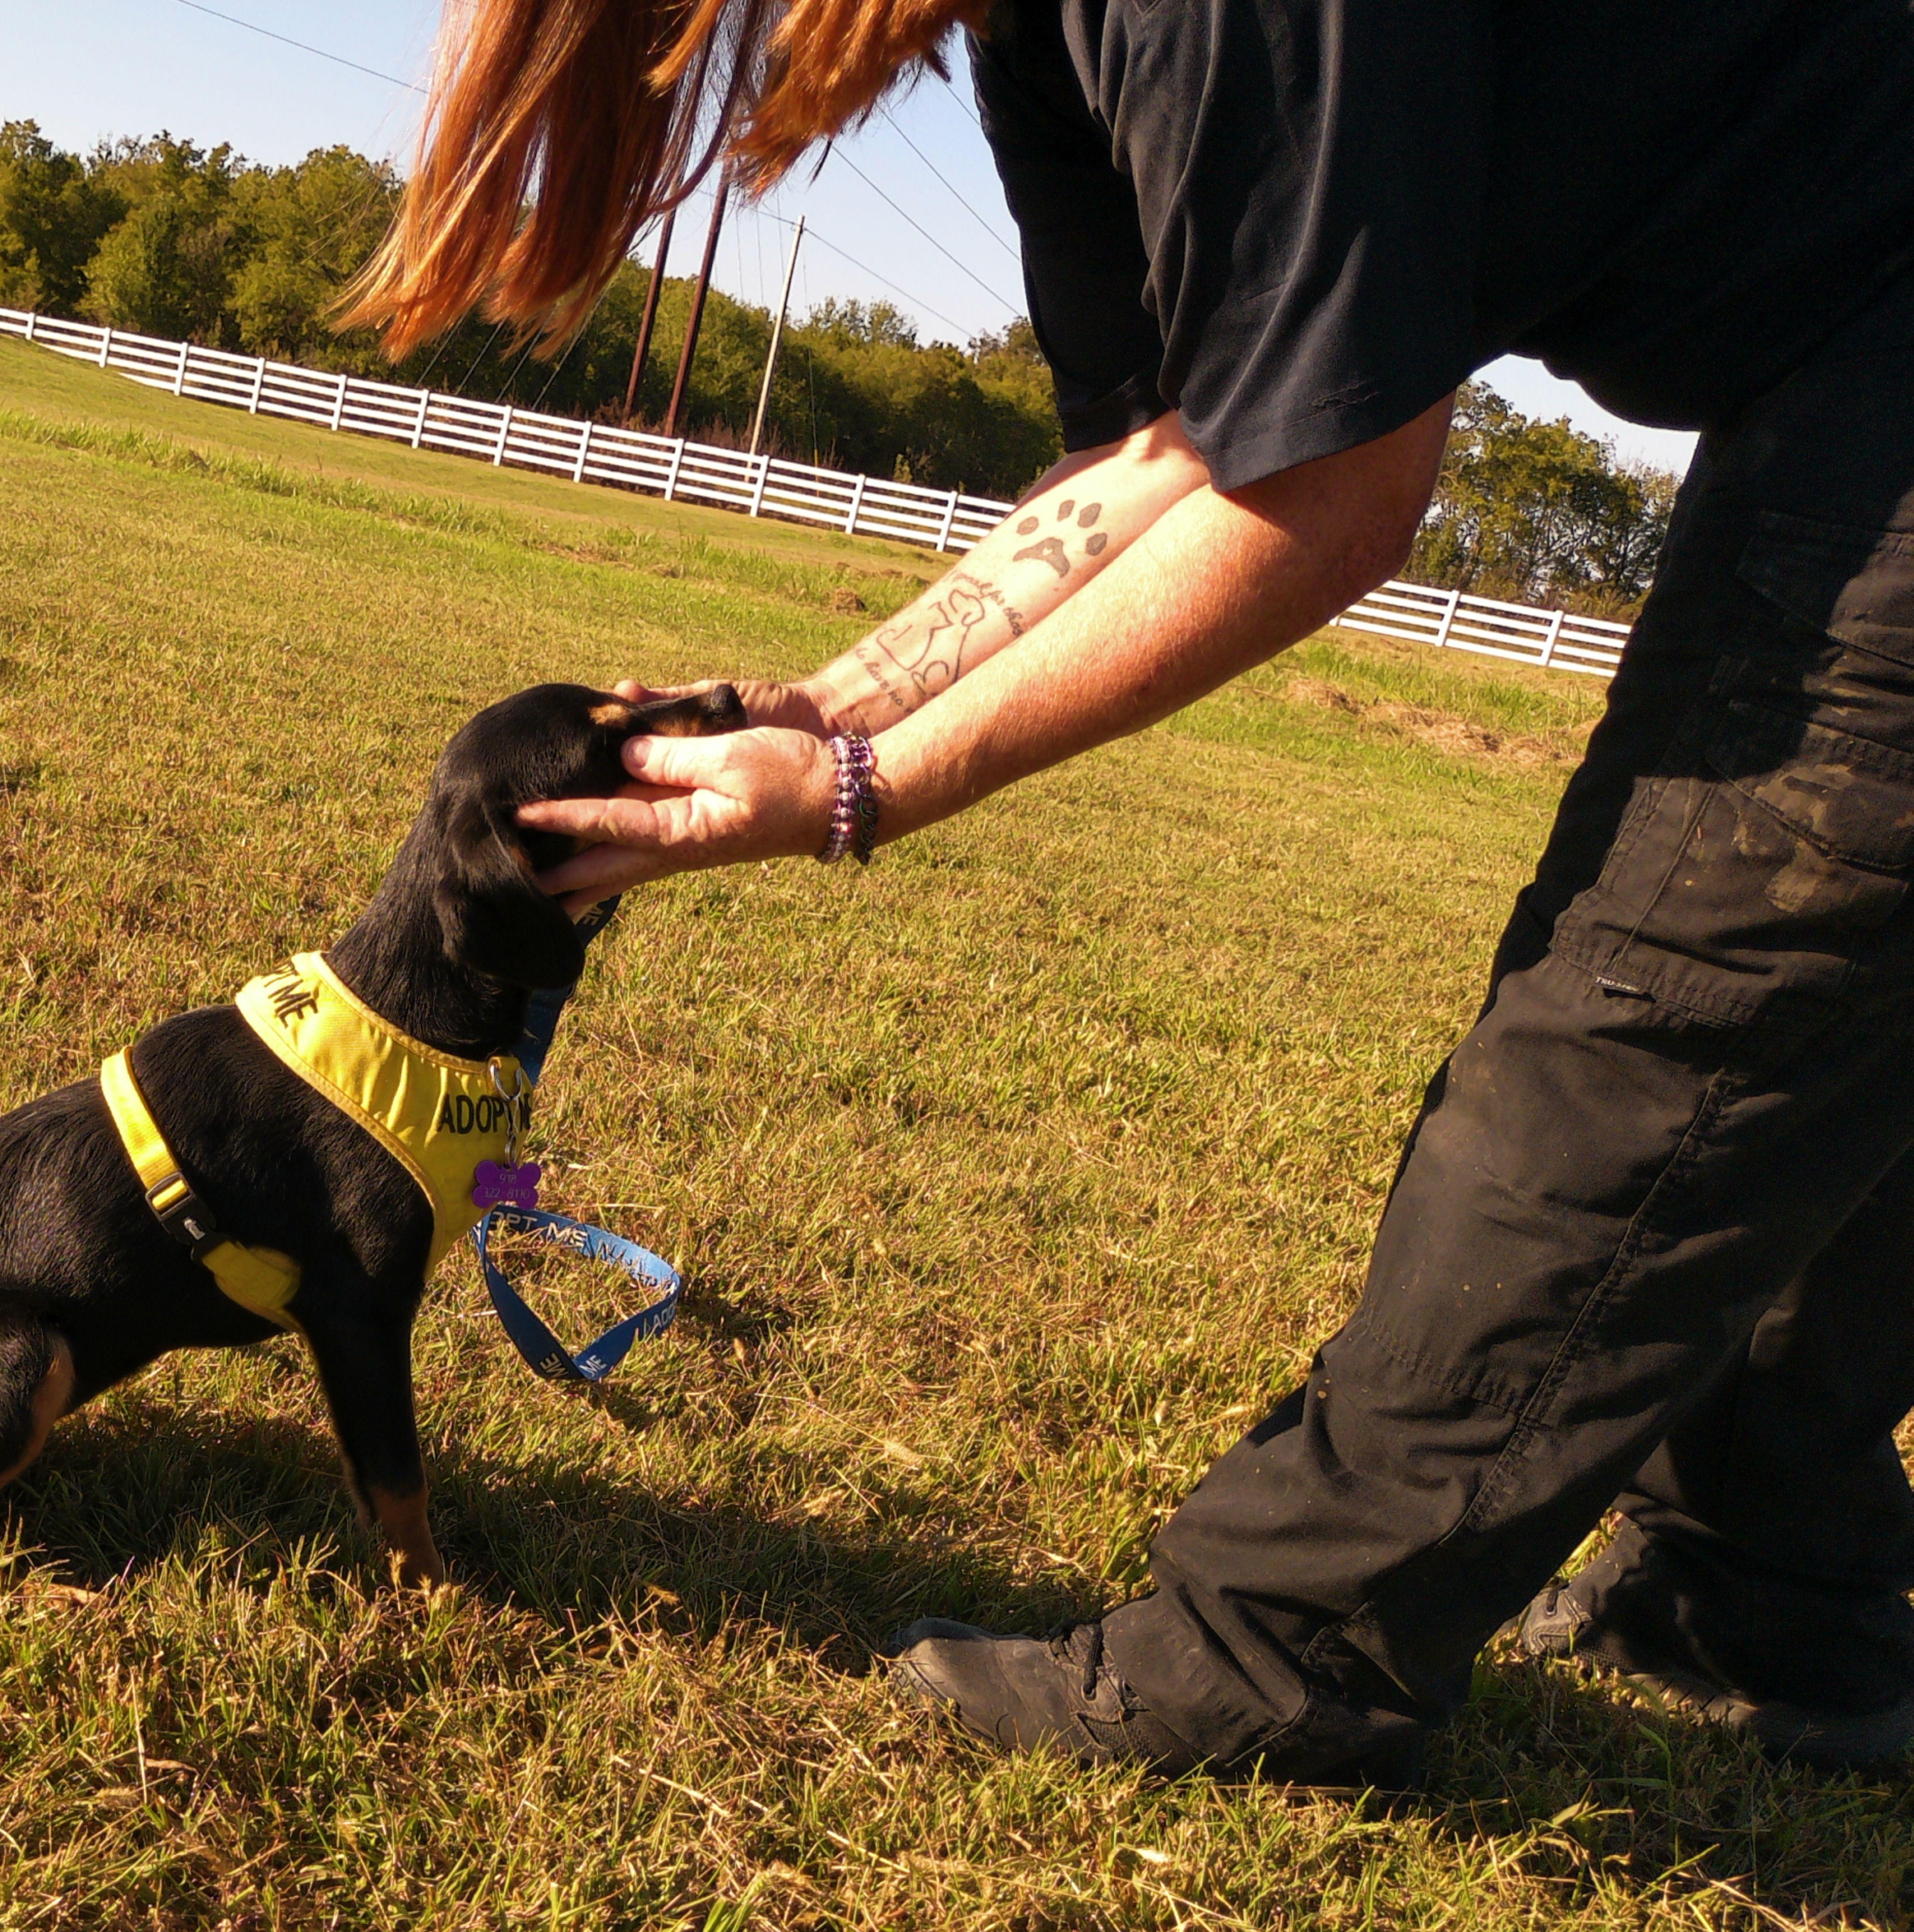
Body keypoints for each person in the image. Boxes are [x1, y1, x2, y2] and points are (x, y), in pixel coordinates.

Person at [347, 0, 1914, 1783]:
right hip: (1841, 347)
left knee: (1676, 998)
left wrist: (868, 791)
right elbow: (1182, 440)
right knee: (1848, 994)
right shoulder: (1043, 37)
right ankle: (1768, 1595)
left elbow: (1329, 489)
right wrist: (840, 703)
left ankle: (1284, 1656)